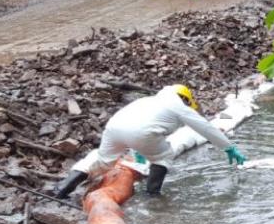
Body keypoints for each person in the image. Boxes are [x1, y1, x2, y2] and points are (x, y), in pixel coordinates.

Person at [54, 85, 247, 198]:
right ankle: (153, 195)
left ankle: (63, 188)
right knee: (163, 157)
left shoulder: (148, 100)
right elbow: (206, 128)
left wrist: (138, 148)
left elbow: (137, 123)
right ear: (185, 99)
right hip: (141, 133)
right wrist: (228, 148)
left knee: (103, 161)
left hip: (114, 127)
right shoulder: (179, 106)